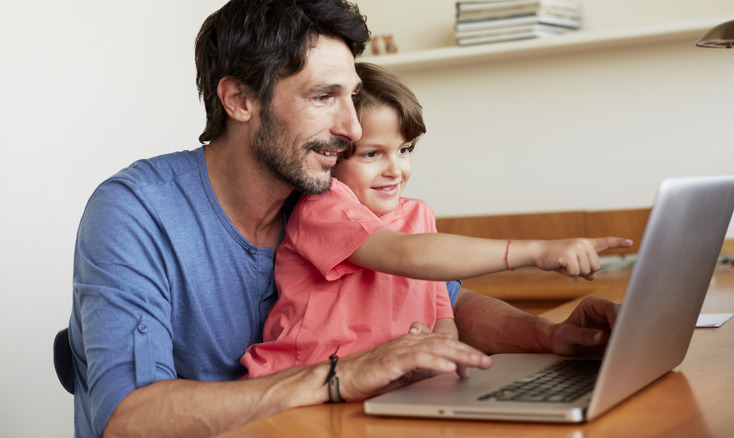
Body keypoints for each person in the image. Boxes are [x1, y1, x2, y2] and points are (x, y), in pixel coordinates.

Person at [66, 1, 628, 437]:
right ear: (239, 99)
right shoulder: (135, 213)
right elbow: (128, 419)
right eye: (323, 97)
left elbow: (438, 296)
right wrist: (340, 374)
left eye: (352, 96)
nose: (353, 128)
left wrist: (550, 338)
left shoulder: (321, 187)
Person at [240, 62, 632, 381]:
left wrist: (443, 351)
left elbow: (441, 309)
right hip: (300, 383)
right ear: (333, 154)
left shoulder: (418, 214)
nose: (395, 169)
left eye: (405, 150)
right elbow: (405, 254)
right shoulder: (323, 206)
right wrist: (536, 250)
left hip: (380, 387)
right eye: (372, 154)